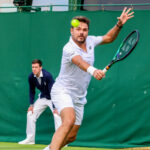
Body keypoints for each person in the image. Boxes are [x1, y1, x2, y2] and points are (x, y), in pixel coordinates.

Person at [43, 7, 134, 150]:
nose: (81, 32)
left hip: (79, 96)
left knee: (71, 136)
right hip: (63, 91)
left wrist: (119, 25)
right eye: (78, 29)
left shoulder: (91, 41)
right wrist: (93, 71)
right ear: (71, 31)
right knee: (69, 121)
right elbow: (79, 62)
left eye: (84, 30)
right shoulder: (68, 48)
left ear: (88, 31)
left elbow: (109, 38)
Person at [19, 59, 61, 145]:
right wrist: (31, 105)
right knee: (30, 113)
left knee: (57, 115)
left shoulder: (47, 76)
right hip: (43, 97)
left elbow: (53, 92)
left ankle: (61, 140)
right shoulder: (31, 77)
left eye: (36, 67)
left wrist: (55, 107)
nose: (34, 69)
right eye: (33, 67)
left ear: (40, 68)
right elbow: (32, 91)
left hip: (54, 97)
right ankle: (30, 139)